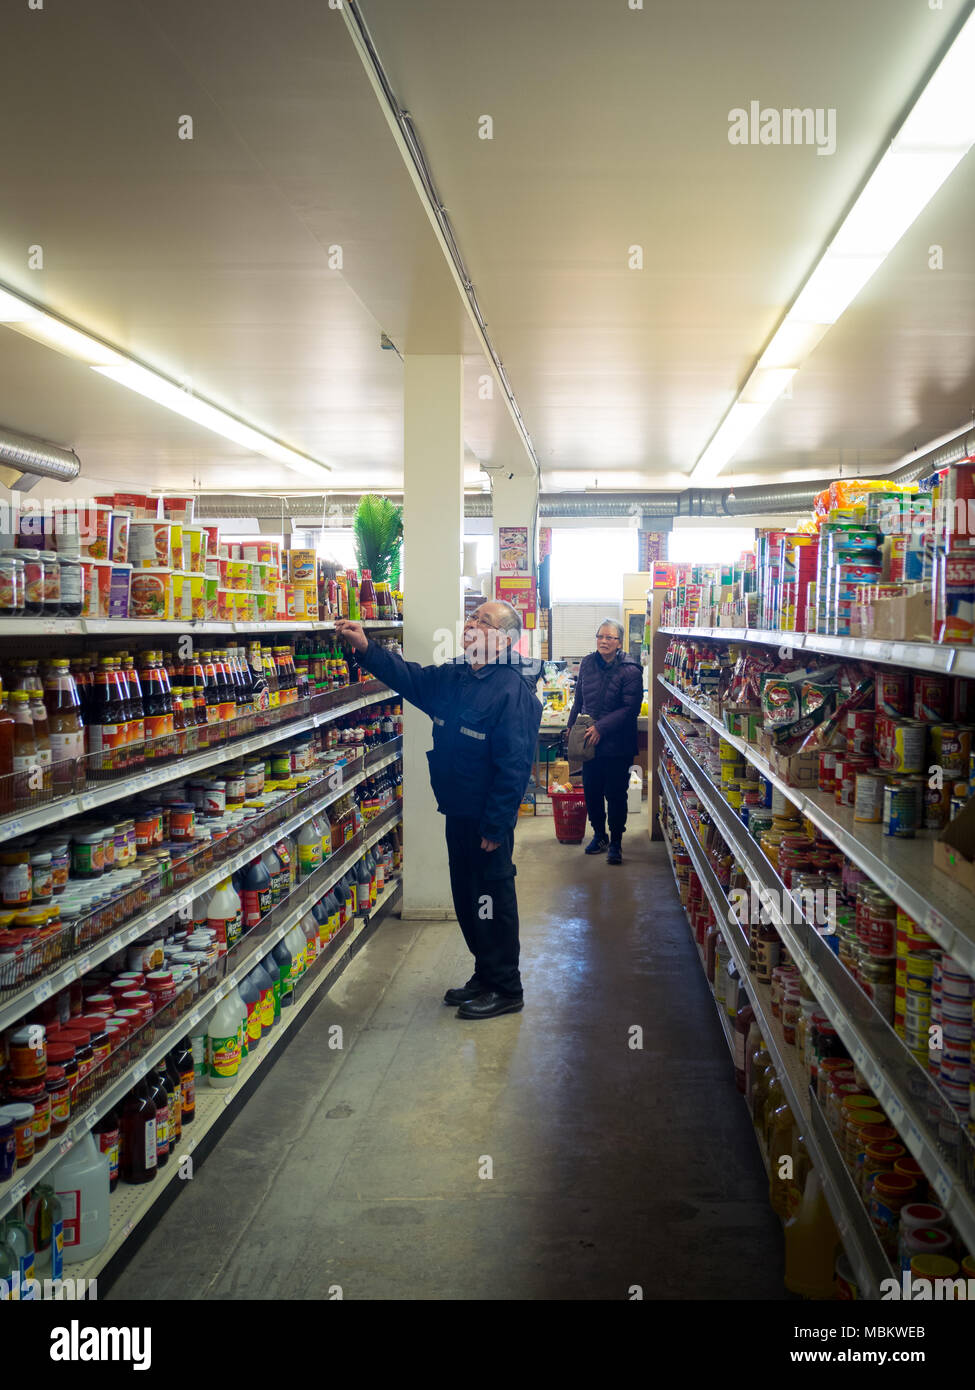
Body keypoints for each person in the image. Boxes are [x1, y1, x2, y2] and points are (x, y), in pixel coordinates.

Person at [335, 602, 542, 1019]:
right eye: (471, 617)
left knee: (491, 898)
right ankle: (485, 975)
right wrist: (365, 647)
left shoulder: (510, 690)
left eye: (484, 621)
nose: (471, 623)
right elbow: (410, 677)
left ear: (503, 641)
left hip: (486, 820)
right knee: (467, 899)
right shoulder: (456, 676)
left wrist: (497, 825)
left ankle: (506, 987)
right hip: (458, 811)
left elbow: (515, 765)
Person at [566, 618, 643, 865]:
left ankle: (616, 841)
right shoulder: (588, 663)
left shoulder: (631, 669)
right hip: (590, 742)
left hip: (618, 743)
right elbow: (579, 698)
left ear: (619, 642)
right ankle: (600, 835)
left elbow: (630, 708)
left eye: (609, 637)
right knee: (592, 791)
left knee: (616, 794)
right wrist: (570, 726)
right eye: (600, 636)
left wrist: (601, 727)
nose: (604, 641)